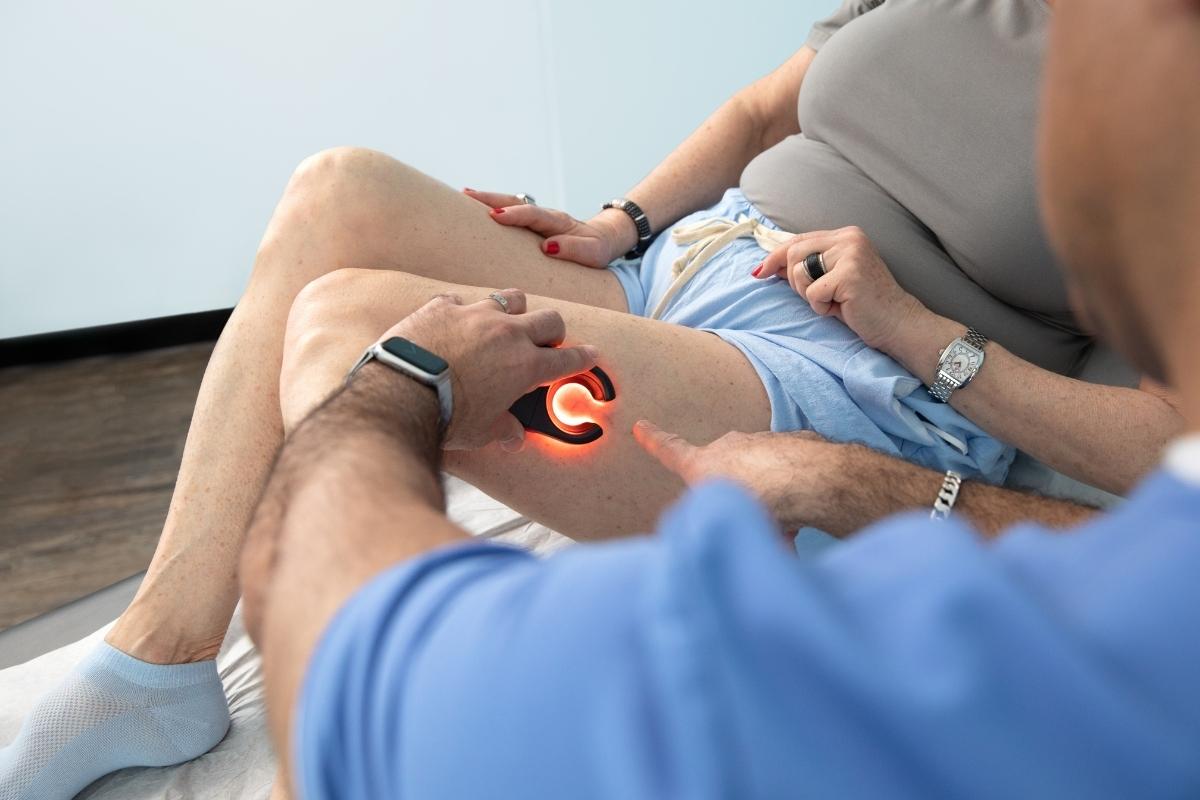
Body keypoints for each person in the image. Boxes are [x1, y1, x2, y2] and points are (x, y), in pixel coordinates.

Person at [0, 0, 1186, 797]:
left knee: (357, 327)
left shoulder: (1162, 81)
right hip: (691, 260)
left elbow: (1171, 438)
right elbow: (761, 112)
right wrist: (623, 221)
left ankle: (331, 726)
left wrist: (924, 336)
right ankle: (161, 653)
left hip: (844, 369)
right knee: (335, 190)